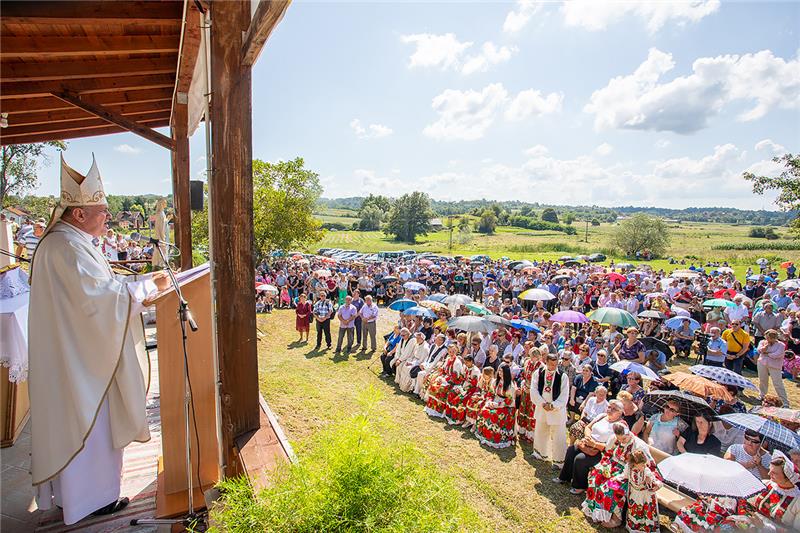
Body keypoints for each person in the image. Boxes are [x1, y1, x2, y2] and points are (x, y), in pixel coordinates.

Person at [30, 155, 169, 524]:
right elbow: (98, 302)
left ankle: (76, 497)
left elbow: (97, 292)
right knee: (91, 426)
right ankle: (91, 500)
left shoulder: (67, 242)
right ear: (78, 214)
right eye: (102, 210)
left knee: (78, 424)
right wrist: (141, 290)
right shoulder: (68, 247)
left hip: (75, 351)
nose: (108, 216)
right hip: (83, 362)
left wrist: (134, 288)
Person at [582, 422, 659, 529]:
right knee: (596, 475)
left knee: (612, 487)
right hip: (613, 465)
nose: (621, 441)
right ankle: (595, 509)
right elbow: (609, 452)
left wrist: (652, 480)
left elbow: (648, 465)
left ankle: (616, 519)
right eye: (619, 439)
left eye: (623, 439)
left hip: (628, 472)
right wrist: (605, 466)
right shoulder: (616, 438)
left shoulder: (639, 445)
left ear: (628, 433)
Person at [556, 400, 625, 495]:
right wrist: (588, 437)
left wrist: (595, 444)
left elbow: (613, 447)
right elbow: (588, 427)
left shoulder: (620, 426)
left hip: (602, 452)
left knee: (580, 459)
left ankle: (580, 486)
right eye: (609, 407)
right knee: (571, 450)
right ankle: (564, 477)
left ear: (620, 412)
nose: (610, 410)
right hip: (588, 443)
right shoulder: (602, 416)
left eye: (614, 409)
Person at [743, 451, 800, 530]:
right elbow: (745, 502)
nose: (769, 474)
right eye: (770, 470)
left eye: (774, 473)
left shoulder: (797, 502)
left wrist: (764, 527)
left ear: (788, 476)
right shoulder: (765, 484)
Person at [531, 353, 570, 466]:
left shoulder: (563, 376)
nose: (553, 367)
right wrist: (542, 403)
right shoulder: (538, 373)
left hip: (556, 411)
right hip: (542, 407)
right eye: (551, 364)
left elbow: (564, 395)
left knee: (559, 436)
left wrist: (553, 405)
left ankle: (559, 461)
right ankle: (540, 453)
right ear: (546, 362)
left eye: (555, 364)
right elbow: (534, 390)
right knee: (540, 431)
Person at [474, 364, 517, 449]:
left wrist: (498, 405)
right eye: (499, 371)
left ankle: (495, 437)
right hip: (495, 401)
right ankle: (485, 434)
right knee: (484, 410)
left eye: (502, 371)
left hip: (506, 406)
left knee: (494, 414)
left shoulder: (510, 385)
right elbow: (490, 393)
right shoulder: (495, 381)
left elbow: (510, 400)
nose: (500, 373)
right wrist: (490, 401)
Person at [620, 449, 662, 533]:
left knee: (646, 511)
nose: (644, 466)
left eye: (644, 464)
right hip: (635, 494)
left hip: (646, 496)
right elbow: (625, 476)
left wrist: (651, 482)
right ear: (634, 464)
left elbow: (655, 481)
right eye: (642, 464)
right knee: (636, 510)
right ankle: (635, 528)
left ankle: (647, 528)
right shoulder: (628, 468)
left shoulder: (646, 471)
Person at [425, 345, 463, 418]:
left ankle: (438, 410)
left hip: (452, 382)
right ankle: (431, 407)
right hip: (445, 378)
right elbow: (444, 369)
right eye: (450, 351)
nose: (451, 353)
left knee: (440, 388)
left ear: (457, 351)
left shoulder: (457, 362)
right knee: (434, 384)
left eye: (453, 351)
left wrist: (443, 380)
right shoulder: (448, 358)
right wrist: (440, 377)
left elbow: (455, 376)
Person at [756, 329, 789, 407]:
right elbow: (759, 350)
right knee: (762, 380)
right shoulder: (762, 342)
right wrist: (765, 348)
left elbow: (776, 355)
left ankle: (784, 401)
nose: (768, 339)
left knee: (777, 383)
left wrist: (766, 353)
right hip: (762, 363)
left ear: (775, 338)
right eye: (766, 337)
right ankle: (762, 395)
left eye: (770, 338)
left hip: (775, 366)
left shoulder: (781, 345)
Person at [515, 346, 542, 441]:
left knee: (531, 411)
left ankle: (530, 433)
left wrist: (531, 389)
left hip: (534, 391)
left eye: (533, 356)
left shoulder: (541, 367)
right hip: (525, 389)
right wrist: (523, 385)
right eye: (530, 356)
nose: (531, 358)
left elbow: (540, 382)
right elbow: (523, 375)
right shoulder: (527, 362)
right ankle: (521, 430)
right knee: (523, 409)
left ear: (538, 357)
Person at [151, 197, 169, 268]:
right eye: (164, 203)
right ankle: (160, 264)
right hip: (161, 236)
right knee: (161, 250)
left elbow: (163, 224)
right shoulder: (160, 214)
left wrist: (167, 219)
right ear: (161, 204)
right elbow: (160, 226)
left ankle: (162, 264)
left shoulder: (162, 213)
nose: (166, 204)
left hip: (164, 234)